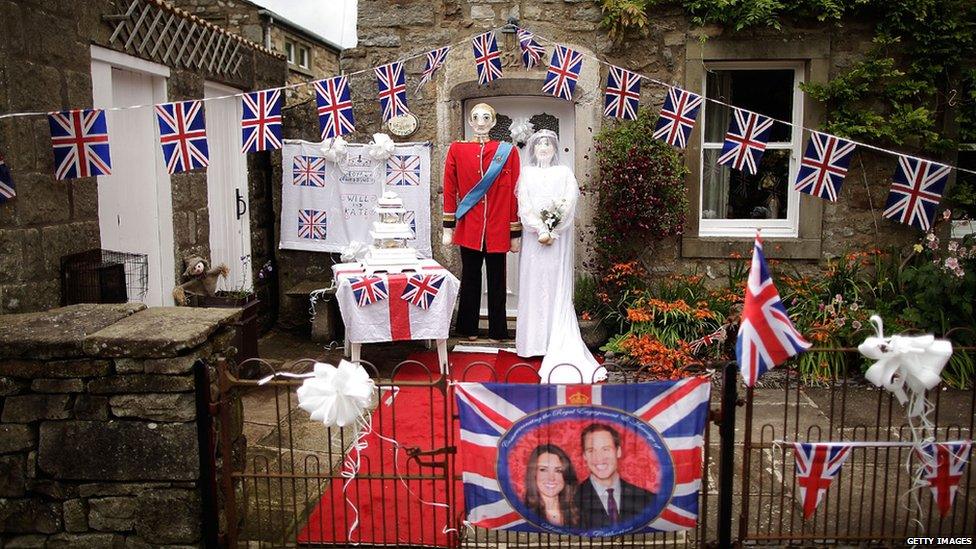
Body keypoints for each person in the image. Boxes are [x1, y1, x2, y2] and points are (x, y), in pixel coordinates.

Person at [515, 129, 606, 384]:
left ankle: (553, 339)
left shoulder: (565, 173)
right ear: (532, 149)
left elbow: (569, 201)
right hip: (535, 239)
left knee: (555, 284)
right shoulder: (526, 173)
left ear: (555, 148)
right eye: (539, 144)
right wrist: (540, 228)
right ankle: (532, 342)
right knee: (534, 284)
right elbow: (524, 204)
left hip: (557, 240)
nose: (544, 148)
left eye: (548, 144)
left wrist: (554, 226)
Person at [442, 103, 521, 341]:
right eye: (475, 117)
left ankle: (498, 330)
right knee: (470, 278)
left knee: (498, 280)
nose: (480, 121)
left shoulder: (507, 151)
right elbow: (449, 188)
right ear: (469, 121)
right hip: (470, 225)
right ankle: (468, 328)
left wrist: (514, 231)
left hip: (498, 225)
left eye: (486, 117)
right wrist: (448, 225)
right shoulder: (457, 149)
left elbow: (515, 192)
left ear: (493, 122)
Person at [576, 423, 656, 530]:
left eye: (606, 449)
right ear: (584, 456)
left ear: (618, 452)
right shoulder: (569, 500)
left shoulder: (648, 499)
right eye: (591, 450)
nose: (599, 458)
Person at [523, 444, 580, 527]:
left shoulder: (582, 513)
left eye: (558, 471)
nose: (551, 478)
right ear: (533, 474)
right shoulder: (521, 515)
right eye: (543, 470)